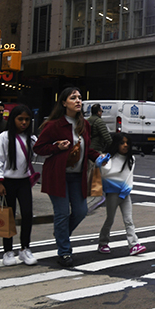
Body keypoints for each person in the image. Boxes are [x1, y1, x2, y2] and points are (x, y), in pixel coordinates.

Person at [34, 87, 102, 268]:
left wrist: (98, 157)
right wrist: (56, 147)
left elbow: (87, 149)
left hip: (77, 176)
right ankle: (64, 252)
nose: (78, 101)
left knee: (81, 211)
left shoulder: (84, 124)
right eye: (73, 98)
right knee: (62, 213)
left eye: (79, 97)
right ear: (64, 103)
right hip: (58, 175)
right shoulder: (53, 125)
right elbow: (38, 148)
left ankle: (61, 233)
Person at [0, 104, 38, 266]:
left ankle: (25, 249)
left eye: (27, 119)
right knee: (8, 217)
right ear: (13, 120)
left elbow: (41, 151)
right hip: (7, 182)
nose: (24, 122)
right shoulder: (3, 138)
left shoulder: (31, 138)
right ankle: (8, 251)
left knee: (27, 214)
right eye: (20, 119)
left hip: (24, 182)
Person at [96, 134, 146, 256]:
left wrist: (126, 190)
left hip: (125, 193)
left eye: (127, 143)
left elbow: (129, 176)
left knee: (128, 220)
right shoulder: (109, 158)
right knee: (110, 219)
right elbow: (104, 174)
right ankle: (103, 242)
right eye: (122, 143)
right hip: (113, 193)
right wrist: (101, 163)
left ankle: (134, 244)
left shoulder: (131, 159)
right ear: (116, 144)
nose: (125, 145)